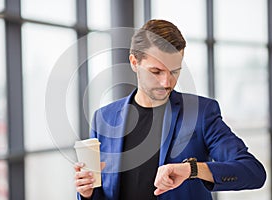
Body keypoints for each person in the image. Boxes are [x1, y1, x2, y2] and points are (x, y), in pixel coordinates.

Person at [73, 19, 266, 200]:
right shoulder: (104, 118)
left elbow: (253, 172)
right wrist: (88, 192)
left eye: (174, 72)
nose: (166, 82)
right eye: (156, 71)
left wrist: (193, 170)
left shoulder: (201, 113)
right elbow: (104, 192)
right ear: (134, 63)